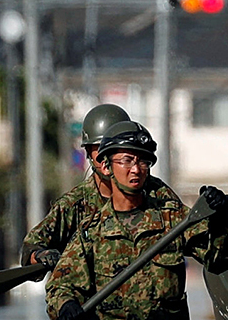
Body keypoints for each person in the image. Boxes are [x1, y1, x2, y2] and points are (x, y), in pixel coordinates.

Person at [44, 123, 228, 320]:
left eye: (143, 162)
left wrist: (221, 220)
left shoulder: (173, 219)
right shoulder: (90, 233)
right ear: (106, 166)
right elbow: (60, 285)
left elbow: (221, 259)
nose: (136, 169)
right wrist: (66, 305)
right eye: (126, 160)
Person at [20, 104, 182, 269]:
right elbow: (31, 248)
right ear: (89, 153)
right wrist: (43, 256)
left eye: (114, 150)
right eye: (101, 150)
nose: (106, 157)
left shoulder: (158, 195)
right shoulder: (74, 205)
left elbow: (197, 237)